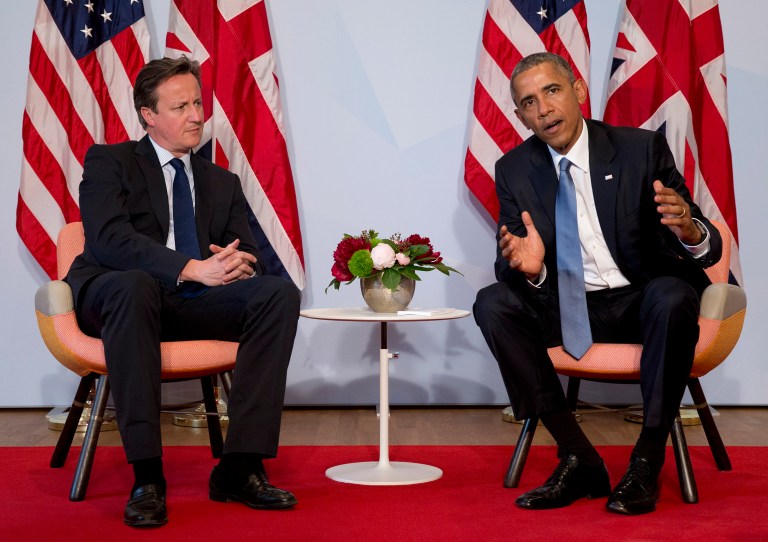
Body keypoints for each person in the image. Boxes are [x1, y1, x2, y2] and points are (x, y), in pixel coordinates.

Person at [473, 52, 722, 515]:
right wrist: (532, 269)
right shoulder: (513, 169)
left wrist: (689, 229)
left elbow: (705, 246)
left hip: (640, 299)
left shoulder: (639, 149)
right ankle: (578, 456)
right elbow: (509, 263)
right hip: (567, 302)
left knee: (672, 296)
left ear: (578, 91)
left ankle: (647, 458)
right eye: (529, 102)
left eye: (552, 91)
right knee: (492, 303)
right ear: (520, 115)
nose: (543, 108)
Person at [65, 56, 301, 527]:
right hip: (119, 299)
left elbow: (247, 250)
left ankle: (240, 466)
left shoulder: (221, 181)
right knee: (133, 286)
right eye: (181, 106)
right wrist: (191, 268)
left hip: (189, 305)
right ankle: (147, 477)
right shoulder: (110, 161)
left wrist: (238, 264)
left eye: (197, 102)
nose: (196, 115)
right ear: (148, 115)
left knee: (277, 294)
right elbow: (110, 241)